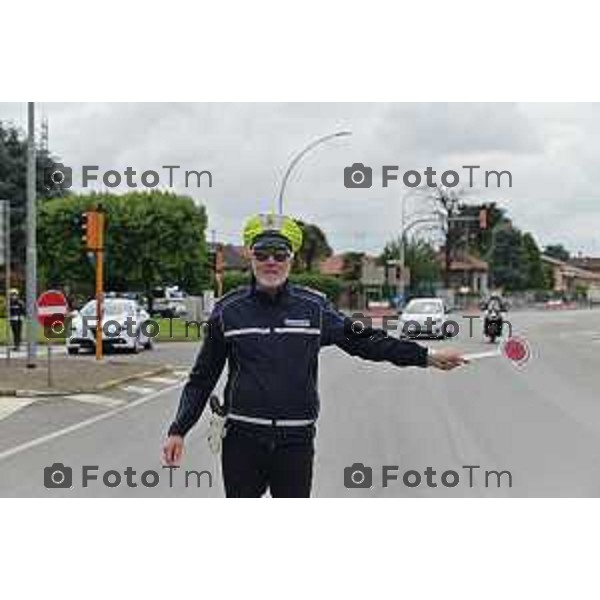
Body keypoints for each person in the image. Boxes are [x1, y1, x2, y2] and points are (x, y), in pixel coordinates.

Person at [162, 214, 468, 497]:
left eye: (280, 254)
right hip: (242, 441)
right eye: (262, 254)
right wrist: (179, 429)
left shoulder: (314, 309)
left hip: (295, 442)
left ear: (291, 259)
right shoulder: (228, 311)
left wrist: (425, 355)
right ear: (250, 257)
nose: (272, 262)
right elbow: (202, 378)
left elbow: (367, 341)